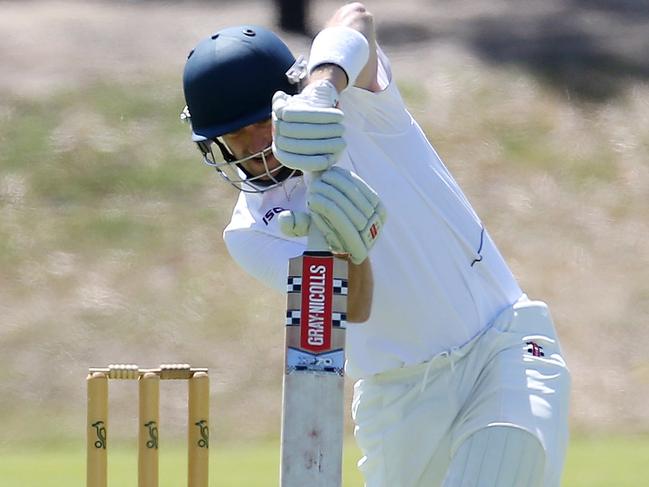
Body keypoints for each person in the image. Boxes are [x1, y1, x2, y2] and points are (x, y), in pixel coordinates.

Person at [181, 3, 571, 486]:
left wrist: (322, 90)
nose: (255, 146)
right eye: (235, 137)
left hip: (501, 348)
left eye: (261, 121)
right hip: (399, 405)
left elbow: (356, 17)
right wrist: (349, 245)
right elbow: (354, 306)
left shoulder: (359, 105)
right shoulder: (252, 231)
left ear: (288, 94)